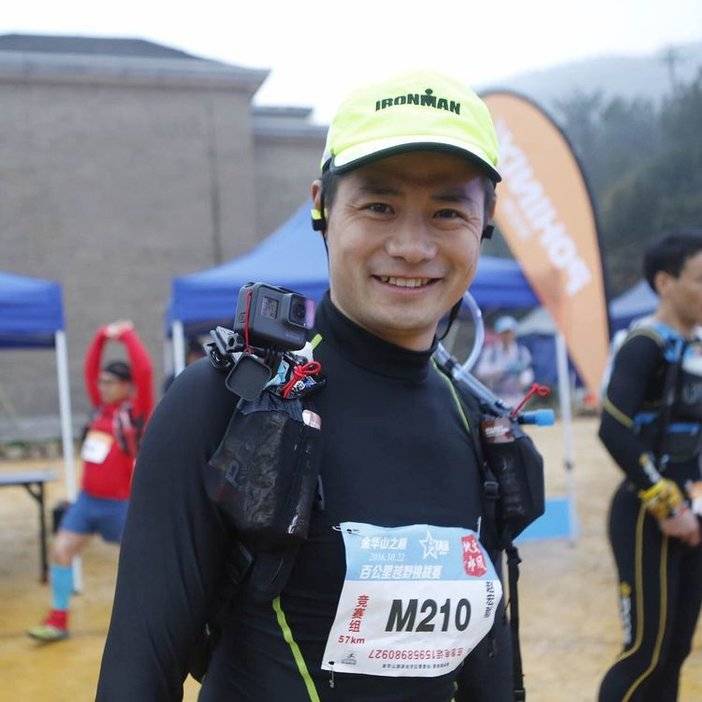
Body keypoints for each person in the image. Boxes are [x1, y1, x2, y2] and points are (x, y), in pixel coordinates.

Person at [97, 71, 519, 701]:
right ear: (321, 205)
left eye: (448, 211)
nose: (411, 246)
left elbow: (488, 663)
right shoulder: (228, 401)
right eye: (378, 206)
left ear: (486, 220)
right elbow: (138, 673)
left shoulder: (476, 420)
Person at [598, 233, 702, 701]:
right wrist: (667, 505)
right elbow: (613, 429)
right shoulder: (644, 344)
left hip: (693, 515)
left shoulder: (695, 349)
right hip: (646, 515)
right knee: (645, 653)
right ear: (665, 283)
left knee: (675, 652)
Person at [28, 320, 153, 642]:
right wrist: (99, 337)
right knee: (61, 551)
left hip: (121, 505)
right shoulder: (99, 410)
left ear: (126, 386)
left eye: (110, 382)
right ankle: (58, 620)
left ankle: (147, 623)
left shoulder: (135, 413)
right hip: (87, 501)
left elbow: (145, 371)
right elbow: (89, 370)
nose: (103, 387)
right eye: (102, 382)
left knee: (140, 565)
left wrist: (126, 335)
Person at [475, 316, 534, 406]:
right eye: (504, 333)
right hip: (494, 396)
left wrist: (521, 379)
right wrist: (501, 370)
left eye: (509, 333)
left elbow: (528, 373)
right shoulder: (490, 351)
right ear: (498, 334)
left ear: (514, 333)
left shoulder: (522, 352)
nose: (507, 336)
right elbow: (480, 372)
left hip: (516, 398)